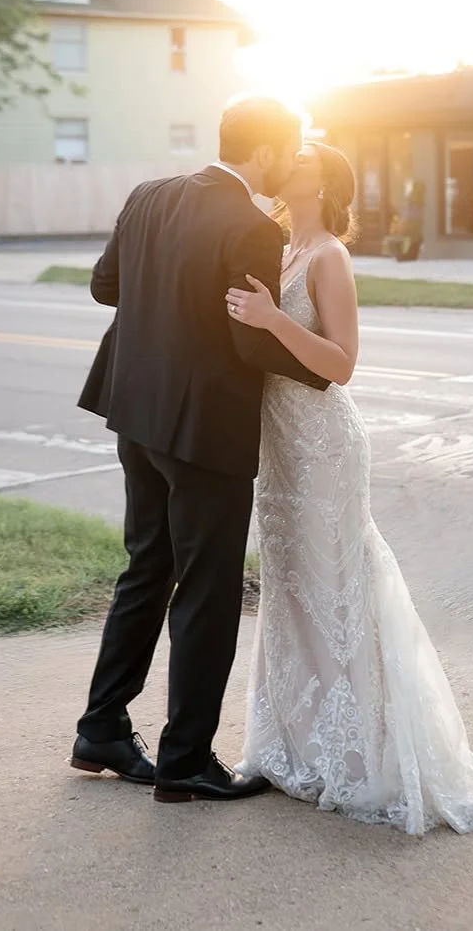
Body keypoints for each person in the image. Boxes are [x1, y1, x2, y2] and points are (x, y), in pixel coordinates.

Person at [226, 142, 473, 834]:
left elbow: (342, 364)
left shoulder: (328, 258)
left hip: (324, 447)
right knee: (290, 589)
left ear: (327, 181)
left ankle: (357, 752)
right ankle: (292, 744)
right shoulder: (281, 247)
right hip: (279, 446)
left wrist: (272, 320)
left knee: (338, 590)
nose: (290, 161)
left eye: (305, 157)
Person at [70, 97, 329, 804]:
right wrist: (328, 372)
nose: (294, 161)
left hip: (135, 415)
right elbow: (250, 341)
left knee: (146, 568)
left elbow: (104, 287)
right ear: (268, 151)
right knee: (208, 591)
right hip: (204, 430)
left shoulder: (148, 196)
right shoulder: (250, 226)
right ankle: (184, 760)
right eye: (293, 147)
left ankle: (101, 729)